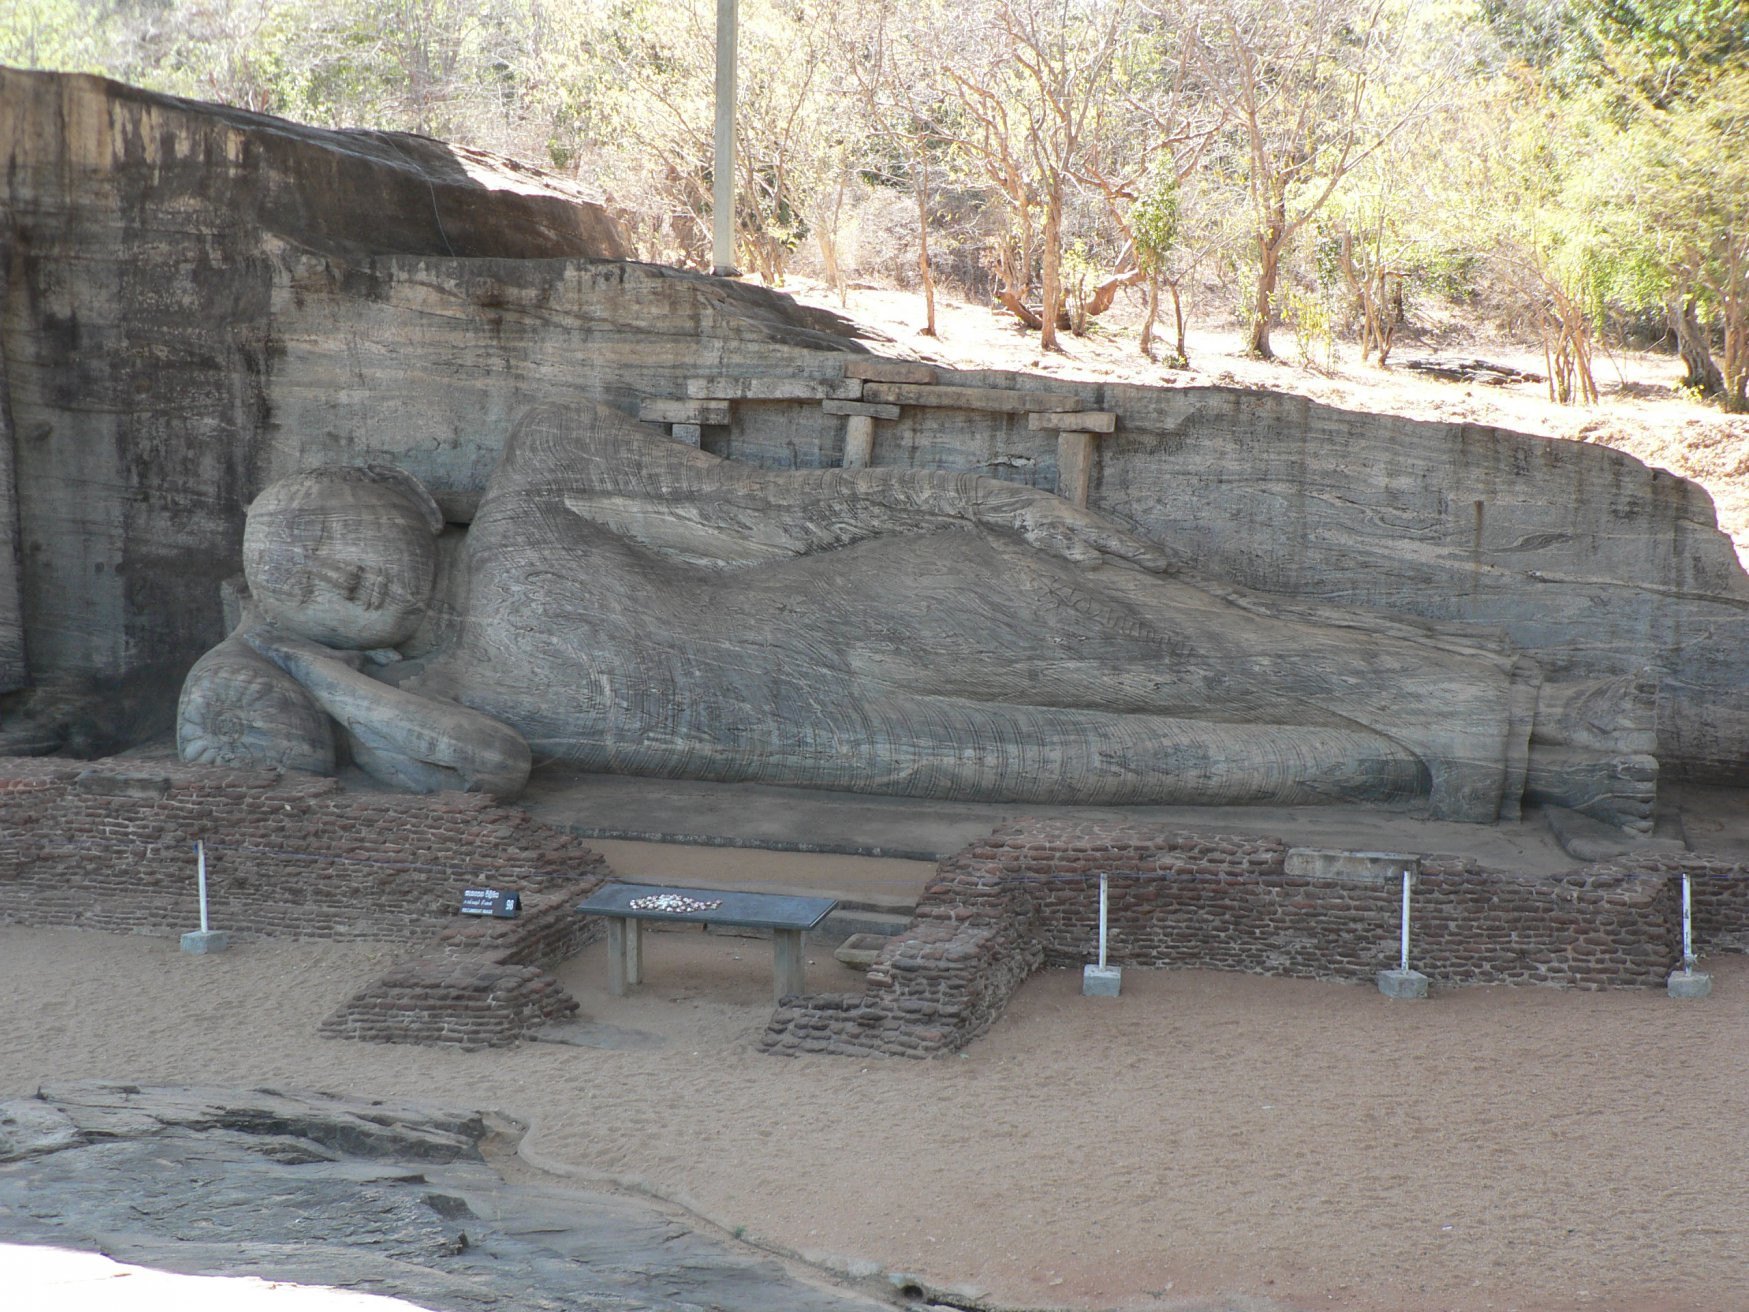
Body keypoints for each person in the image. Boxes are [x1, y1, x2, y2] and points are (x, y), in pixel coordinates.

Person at [179, 401, 1656, 829]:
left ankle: (1540, 709)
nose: (349, 582)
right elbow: (490, 771)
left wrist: (995, 509)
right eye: (316, 593)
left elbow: (783, 514)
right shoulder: (436, 708)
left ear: (391, 495)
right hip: (861, 735)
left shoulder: (536, 481)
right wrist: (295, 662)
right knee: (1208, 761)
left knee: (1214, 653)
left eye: (339, 545)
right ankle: (1492, 760)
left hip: (892, 605)